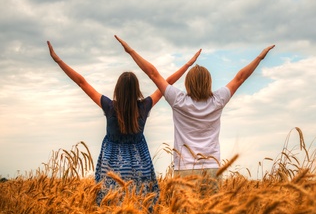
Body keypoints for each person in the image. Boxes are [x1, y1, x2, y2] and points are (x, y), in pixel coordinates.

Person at [47, 40, 201, 210]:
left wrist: (58, 60)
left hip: (111, 164)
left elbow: (82, 82)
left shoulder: (109, 106)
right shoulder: (144, 106)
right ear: (137, 89)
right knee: (140, 204)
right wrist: (188, 64)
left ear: (117, 89)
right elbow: (167, 82)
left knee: (109, 205)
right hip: (140, 163)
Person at [114, 35, 275, 191]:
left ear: (188, 83)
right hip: (212, 169)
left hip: (184, 169)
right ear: (209, 82)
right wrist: (259, 58)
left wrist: (131, 52)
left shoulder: (178, 100)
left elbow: (153, 73)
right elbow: (240, 78)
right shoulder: (218, 100)